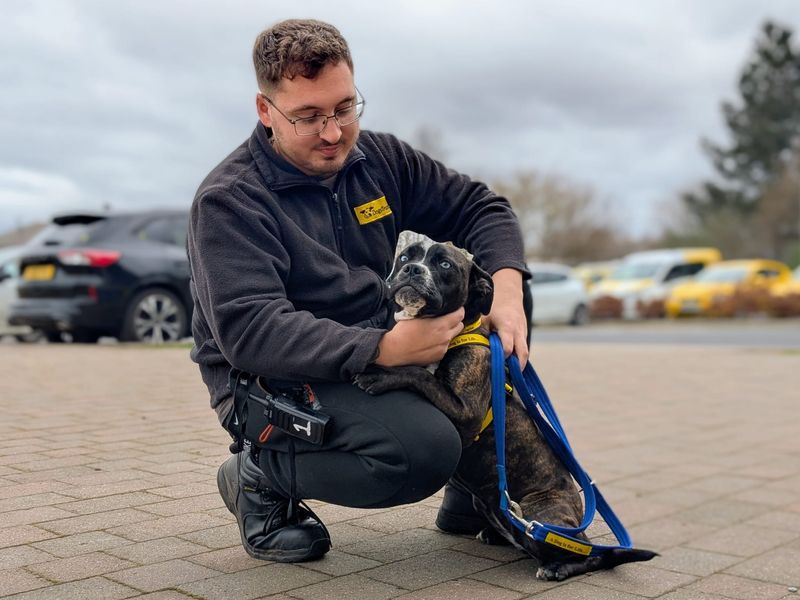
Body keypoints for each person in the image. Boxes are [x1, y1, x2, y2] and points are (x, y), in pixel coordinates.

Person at [188, 18, 530, 563]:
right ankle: (258, 475)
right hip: (274, 378)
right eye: (308, 117)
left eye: (344, 108)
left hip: (376, 348)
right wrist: (383, 350)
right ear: (264, 111)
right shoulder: (230, 201)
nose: (332, 133)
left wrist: (509, 291)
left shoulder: (380, 160)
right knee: (418, 453)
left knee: (500, 320)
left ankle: (475, 488)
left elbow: (480, 208)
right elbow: (250, 330)